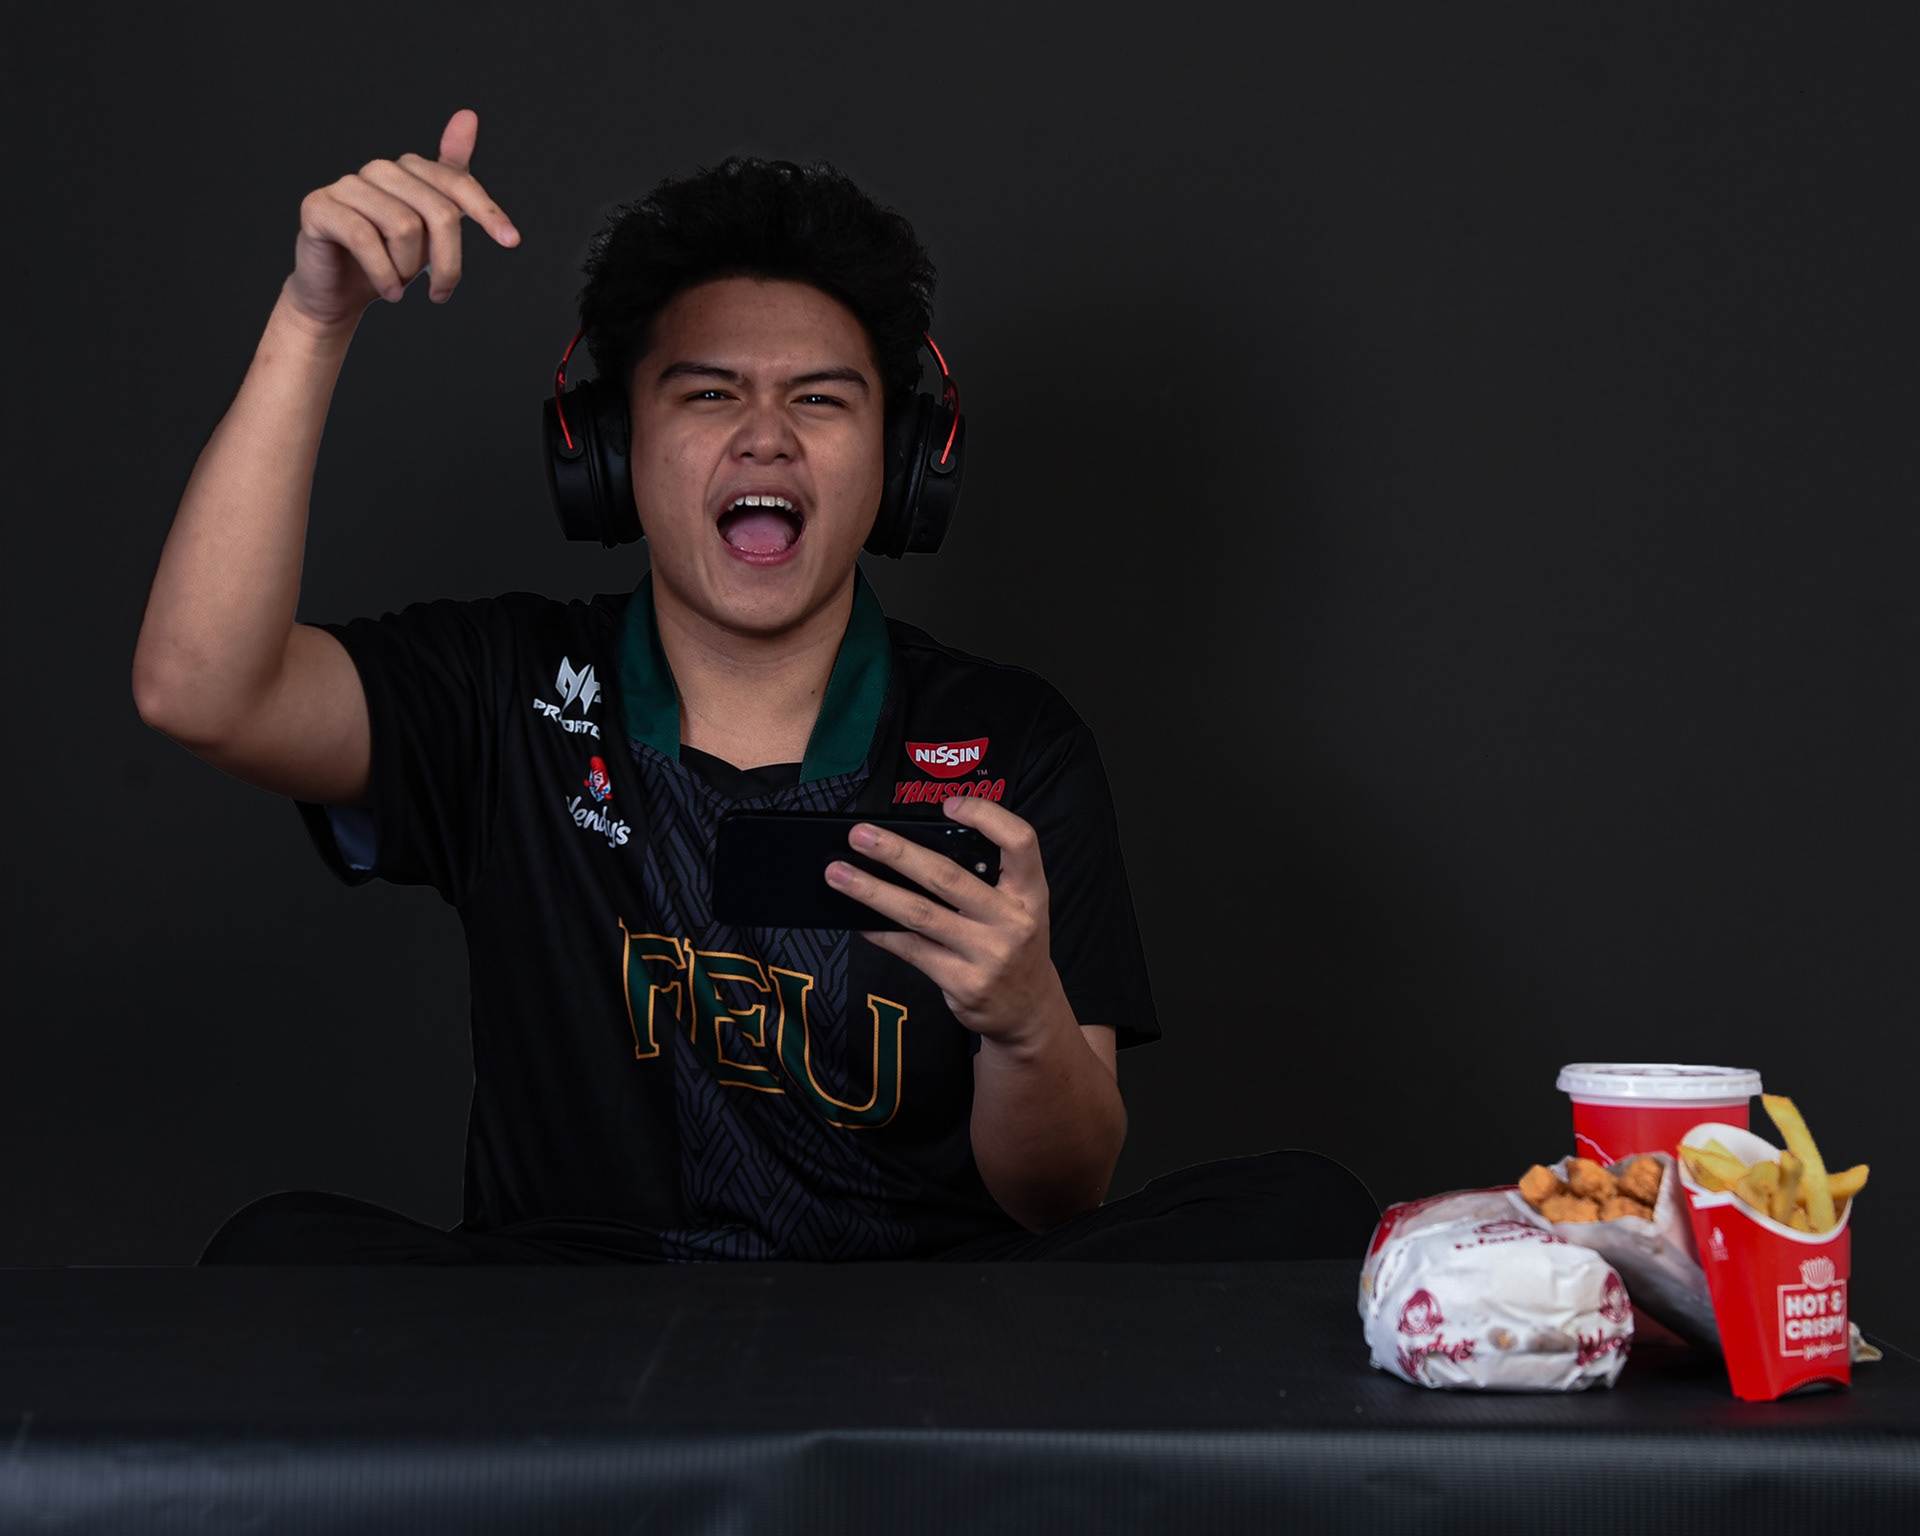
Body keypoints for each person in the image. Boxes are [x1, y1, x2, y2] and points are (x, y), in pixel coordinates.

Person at [134, 110, 1374, 1264]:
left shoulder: (1010, 741)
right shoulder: (504, 690)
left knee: (1301, 1213)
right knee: (281, 1251)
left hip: (927, 1340)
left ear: (902, 464)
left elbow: (1058, 1196)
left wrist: (1026, 1020)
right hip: (570, 1332)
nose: (766, 435)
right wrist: (314, 320)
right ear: (608, 450)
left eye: (820, 399)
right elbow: (200, 690)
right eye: (710, 392)